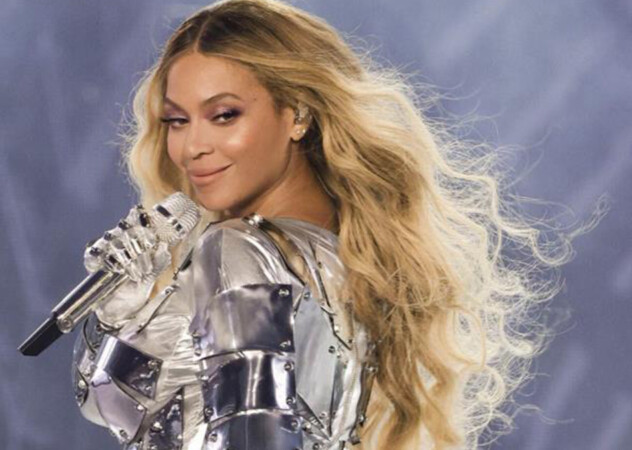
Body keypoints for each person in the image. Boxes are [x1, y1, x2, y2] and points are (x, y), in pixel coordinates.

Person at [70, 0, 600, 448]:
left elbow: (249, 435)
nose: (193, 147)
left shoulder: (237, 250)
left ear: (297, 113)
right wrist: (125, 309)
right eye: (176, 121)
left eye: (224, 115)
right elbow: (134, 410)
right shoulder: (350, 262)